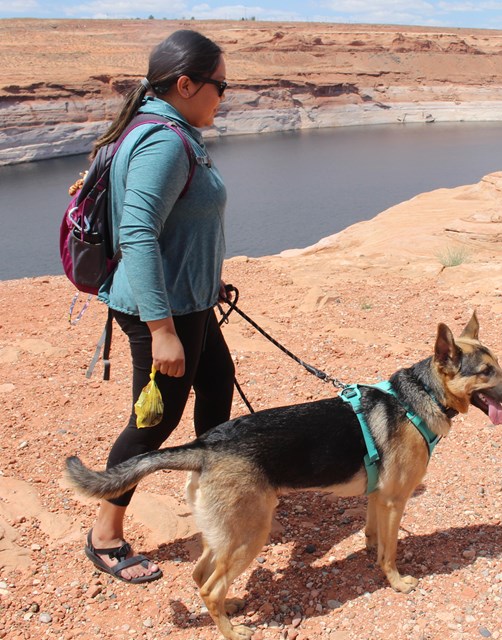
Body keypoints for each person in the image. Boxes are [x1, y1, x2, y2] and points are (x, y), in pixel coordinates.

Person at [82, 29, 235, 583]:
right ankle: (104, 535)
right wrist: (163, 330)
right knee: (154, 420)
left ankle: (215, 491)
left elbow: (174, 228)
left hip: (187, 299)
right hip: (162, 310)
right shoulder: (165, 141)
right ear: (187, 83)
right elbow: (140, 234)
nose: (224, 95)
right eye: (221, 84)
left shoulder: (173, 130)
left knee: (218, 381)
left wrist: (207, 278)